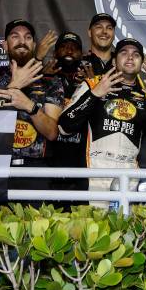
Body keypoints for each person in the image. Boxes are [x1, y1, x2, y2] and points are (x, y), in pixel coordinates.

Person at [58, 38, 146, 207]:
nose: (130, 57)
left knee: (125, 230)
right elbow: (64, 127)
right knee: (93, 230)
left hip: (128, 174)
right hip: (94, 172)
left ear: (142, 63)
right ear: (114, 60)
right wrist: (94, 95)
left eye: (136, 55)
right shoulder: (93, 83)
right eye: (124, 53)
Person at [0, 19, 65, 204]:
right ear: (4, 45)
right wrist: (15, 86)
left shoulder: (50, 82)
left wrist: (30, 106)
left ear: (34, 45)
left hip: (34, 172)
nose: (22, 41)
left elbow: (52, 132)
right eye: (15, 36)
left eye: (28, 37)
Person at [46, 32, 89, 196]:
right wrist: (46, 77)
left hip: (80, 163)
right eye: (64, 47)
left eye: (74, 48)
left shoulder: (90, 81)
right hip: (50, 162)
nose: (69, 51)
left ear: (82, 54)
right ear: (55, 53)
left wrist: (93, 86)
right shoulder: (44, 79)